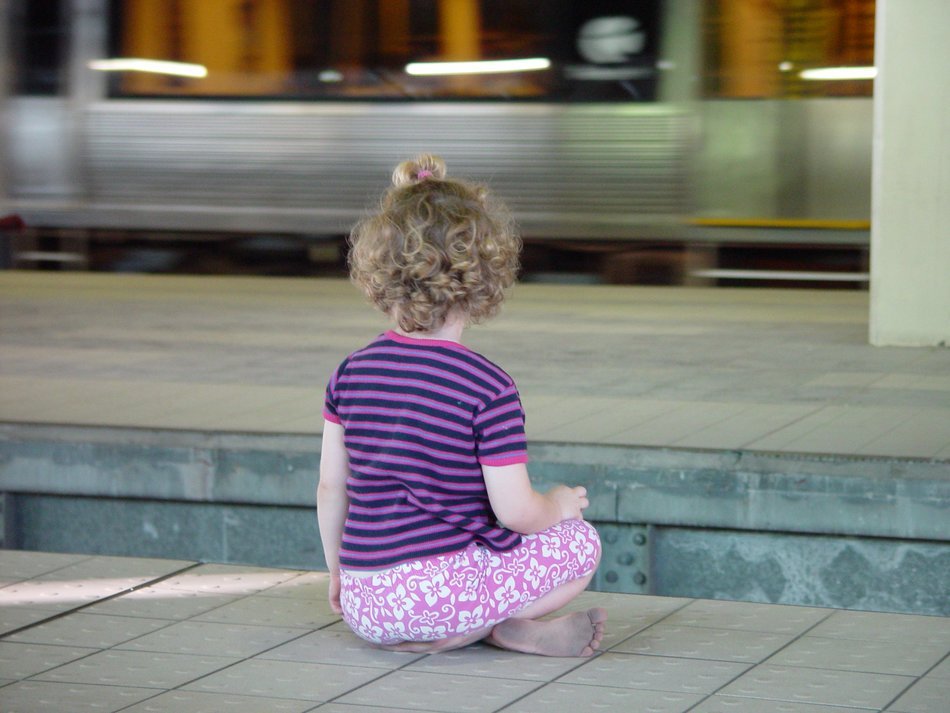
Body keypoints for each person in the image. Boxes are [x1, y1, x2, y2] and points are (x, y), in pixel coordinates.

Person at [317, 154, 605, 656]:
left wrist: (339, 575)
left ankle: (471, 624)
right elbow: (515, 512)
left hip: (366, 605)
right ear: (483, 277)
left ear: (378, 271)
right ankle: (491, 626)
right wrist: (557, 506)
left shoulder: (349, 372)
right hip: (441, 596)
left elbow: (329, 488)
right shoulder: (486, 386)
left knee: (458, 555)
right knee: (580, 543)